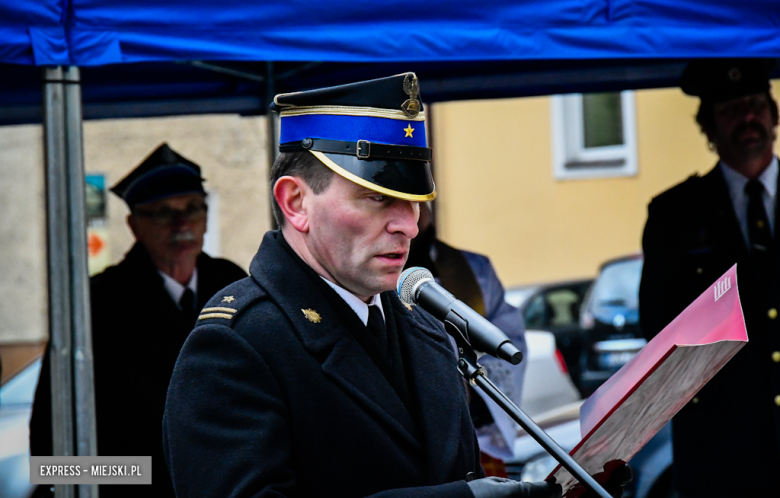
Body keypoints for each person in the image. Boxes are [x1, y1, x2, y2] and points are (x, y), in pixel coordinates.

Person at [163, 74, 629, 498]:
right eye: (377, 197)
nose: (409, 224)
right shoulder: (236, 345)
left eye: (415, 201)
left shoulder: (424, 325)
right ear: (296, 201)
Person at [30, 143, 247, 498]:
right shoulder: (94, 305)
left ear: (206, 217)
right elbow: (49, 459)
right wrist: (144, 476)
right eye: (163, 212)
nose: (182, 223)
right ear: (134, 226)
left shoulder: (232, 286)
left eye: (192, 208)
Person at [639, 58, 780, 498]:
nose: (747, 118)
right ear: (709, 127)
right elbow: (658, 328)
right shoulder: (674, 214)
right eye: (730, 110)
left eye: (756, 104)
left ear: (774, 115)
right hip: (723, 446)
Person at [406, 203, 528, 464]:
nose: (408, 216)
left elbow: (510, 340)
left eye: (417, 203)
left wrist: (471, 391)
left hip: (472, 442)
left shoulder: (474, 270)